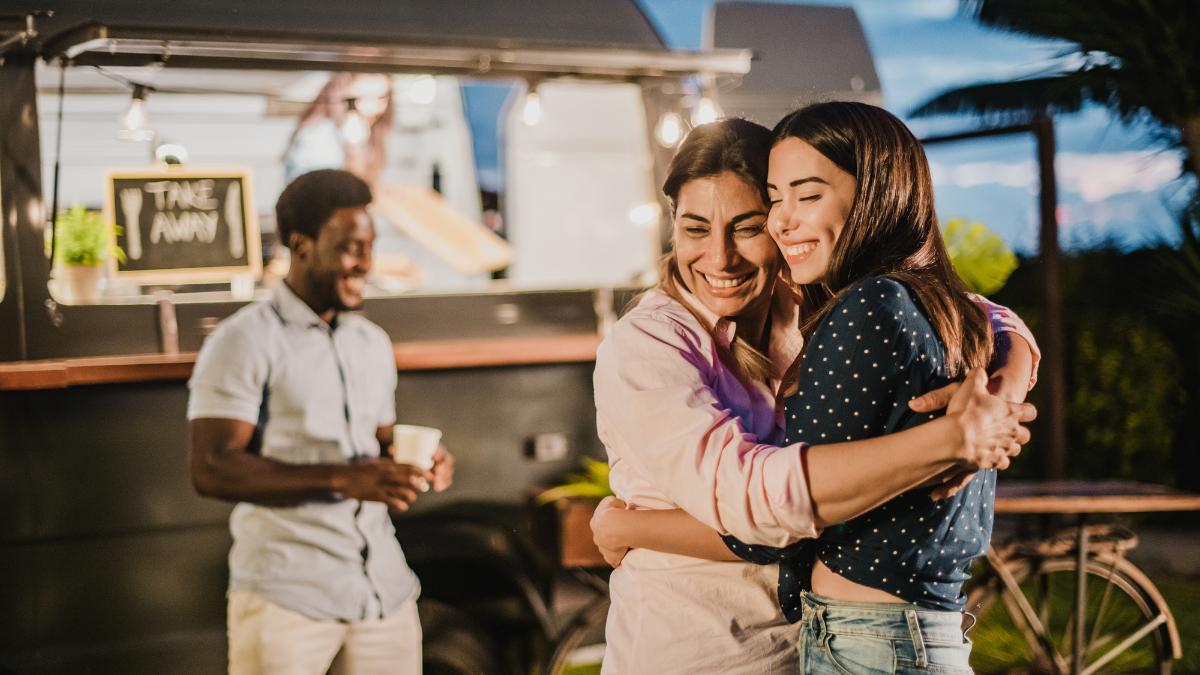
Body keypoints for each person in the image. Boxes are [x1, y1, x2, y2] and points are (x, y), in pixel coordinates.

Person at [589, 118, 1038, 674]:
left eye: (747, 227)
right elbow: (753, 504)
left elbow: (958, 304)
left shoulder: (816, 303)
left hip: (818, 646)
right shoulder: (649, 344)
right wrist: (953, 441)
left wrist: (1005, 381)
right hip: (699, 653)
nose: (720, 258)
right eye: (696, 228)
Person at [188, 169, 454, 675]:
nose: (366, 263)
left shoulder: (371, 342)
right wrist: (343, 477)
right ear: (300, 245)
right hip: (287, 595)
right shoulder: (241, 341)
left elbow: (376, 439)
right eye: (351, 247)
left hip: (383, 590)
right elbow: (211, 468)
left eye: (371, 246)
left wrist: (419, 459)